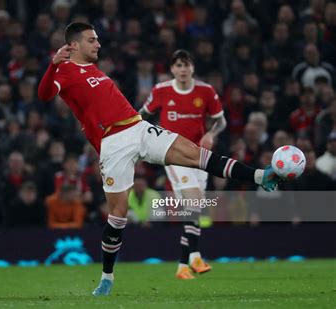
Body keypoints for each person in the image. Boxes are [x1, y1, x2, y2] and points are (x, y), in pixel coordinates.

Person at [37, 22, 281, 297]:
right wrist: (52, 65)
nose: (98, 44)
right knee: (118, 216)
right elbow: (44, 94)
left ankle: (261, 176)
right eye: (92, 40)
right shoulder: (64, 70)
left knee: (196, 155)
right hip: (112, 144)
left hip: (138, 127)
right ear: (74, 45)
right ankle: (107, 278)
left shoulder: (93, 69)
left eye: (97, 40)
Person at [139, 49, 226, 280]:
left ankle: (183, 265)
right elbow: (142, 116)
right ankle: (195, 256)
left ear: (193, 68)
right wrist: (146, 139)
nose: (183, 69)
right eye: (178, 65)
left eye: (186, 64)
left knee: (193, 208)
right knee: (194, 201)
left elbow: (221, 121)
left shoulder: (206, 91)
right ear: (172, 69)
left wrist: (211, 134)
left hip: (198, 156)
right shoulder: (161, 91)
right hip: (172, 153)